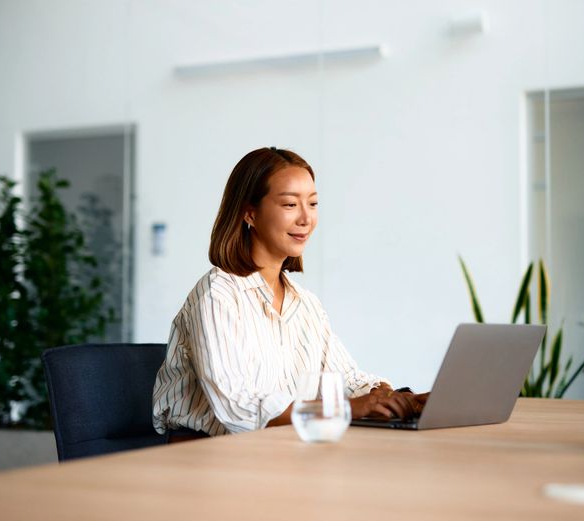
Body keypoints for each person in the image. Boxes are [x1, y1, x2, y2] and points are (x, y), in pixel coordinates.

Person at [152, 147, 427, 443]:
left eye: (313, 203)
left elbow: (348, 381)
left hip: (282, 449)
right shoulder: (217, 294)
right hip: (205, 457)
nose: (306, 218)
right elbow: (237, 408)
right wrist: (349, 408)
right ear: (249, 213)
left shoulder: (306, 304)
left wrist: (397, 398)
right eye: (290, 205)